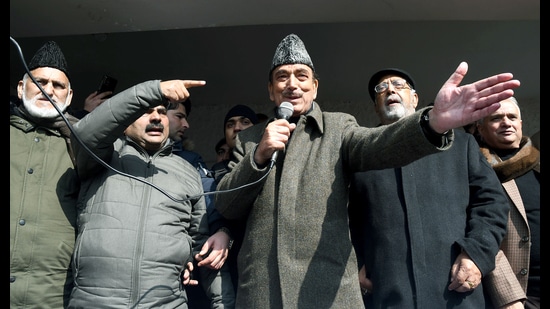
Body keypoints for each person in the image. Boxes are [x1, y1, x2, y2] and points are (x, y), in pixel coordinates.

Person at [214, 33, 520, 308]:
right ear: (270, 90)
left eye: (301, 75)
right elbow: (227, 205)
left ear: (315, 87)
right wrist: (259, 155)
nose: (292, 83)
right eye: (282, 77)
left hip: (325, 293)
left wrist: (433, 123)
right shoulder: (249, 140)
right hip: (262, 294)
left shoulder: (339, 128)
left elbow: (380, 144)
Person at [347, 68, 510, 308]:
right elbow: (342, 217)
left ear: (415, 98)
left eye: (398, 84)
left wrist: (477, 254)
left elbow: (492, 203)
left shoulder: (459, 145)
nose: (389, 89)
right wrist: (355, 263)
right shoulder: (359, 157)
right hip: (387, 295)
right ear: (375, 106)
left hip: (456, 294)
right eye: (381, 89)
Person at [67, 78, 213, 308]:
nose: (156, 117)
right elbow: (85, 133)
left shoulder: (188, 172)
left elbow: (200, 243)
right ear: (125, 122)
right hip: (95, 301)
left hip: (166, 303)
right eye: (145, 112)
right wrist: (154, 90)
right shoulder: (103, 157)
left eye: (162, 112)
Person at [10, 40, 80, 308]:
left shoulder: (83, 147)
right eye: (39, 81)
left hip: (51, 296)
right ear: (20, 88)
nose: (47, 89)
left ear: (69, 96)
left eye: (58, 85)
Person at [167, 99, 235, 308]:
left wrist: (222, 230)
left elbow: (208, 204)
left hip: (183, 271)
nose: (186, 125)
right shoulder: (118, 157)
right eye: (179, 116)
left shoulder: (190, 161)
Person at [476, 97, 540, 309]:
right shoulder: (476, 171)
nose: (506, 122)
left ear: (520, 124)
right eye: (496, 118)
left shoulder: (537, 162)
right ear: (481, 129)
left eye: (512, 116)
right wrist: (509, 297)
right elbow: (478, 235)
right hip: (520, 296)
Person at [211, 104, 259, 183]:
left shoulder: (272, 162)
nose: (237, 128)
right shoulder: (215, 173)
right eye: (230, 125)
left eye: (245, 122)